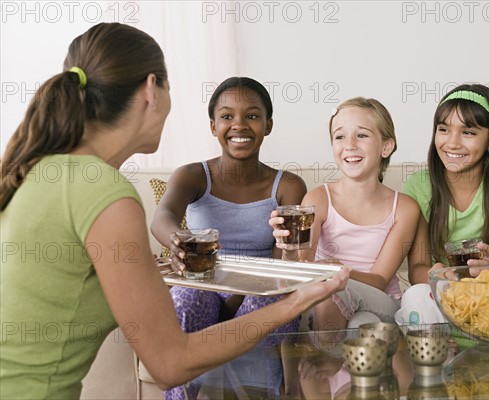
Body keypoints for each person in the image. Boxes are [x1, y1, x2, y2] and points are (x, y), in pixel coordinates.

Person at [0, 23, 348, 399]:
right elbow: (170, 364)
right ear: (152, 89)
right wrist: (297, 300)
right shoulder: (105, 192)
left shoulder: (38, 170)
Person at [150, 76, 308, 399]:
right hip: (206, 287)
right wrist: (178, 241)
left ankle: (243, 389)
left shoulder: (288, 185)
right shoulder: (193, 175)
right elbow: (162, 218)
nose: (239, 125)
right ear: (212, 126)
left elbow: (283, 267)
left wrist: (242, 293)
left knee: (275, 299)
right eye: (227, 116)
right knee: (185, 298)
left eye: (252, 115)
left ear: (268, 124)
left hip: (259, 292)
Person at [270, 97, 431, 398]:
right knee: (362, 323)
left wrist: (334, 272)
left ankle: (334, 353)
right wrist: (290, 250)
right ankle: (349, 359)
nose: (350, 144)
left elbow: (380, 281)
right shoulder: (318, 199)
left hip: (381, 302)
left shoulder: (404, 208)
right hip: (330, 317)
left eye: (362, 135)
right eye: (339, 136)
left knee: (335, 284)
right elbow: (303, 271)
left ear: (386, 146)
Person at [396, 84, 489, 326]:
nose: (452, 143)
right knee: (416, 296)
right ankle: (440, 354)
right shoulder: (419, 185)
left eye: (468, 132)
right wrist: (436, 273)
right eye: (443, 129)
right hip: (445, 294)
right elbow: (417, 266)